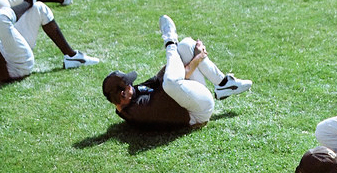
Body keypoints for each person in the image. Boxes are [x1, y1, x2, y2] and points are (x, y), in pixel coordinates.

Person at [102, 15, 251, 128]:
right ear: (122, 95)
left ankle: (223, 84)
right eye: (128, 85)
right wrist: (197, 58)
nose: (131, 85)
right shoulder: (140, 108)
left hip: (188, 97)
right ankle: (169, 40)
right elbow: (173, 83)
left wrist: (191, 57)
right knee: (171, 81)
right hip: (198, 112)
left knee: (186, 46)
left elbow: (161, 78)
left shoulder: (130, 98)